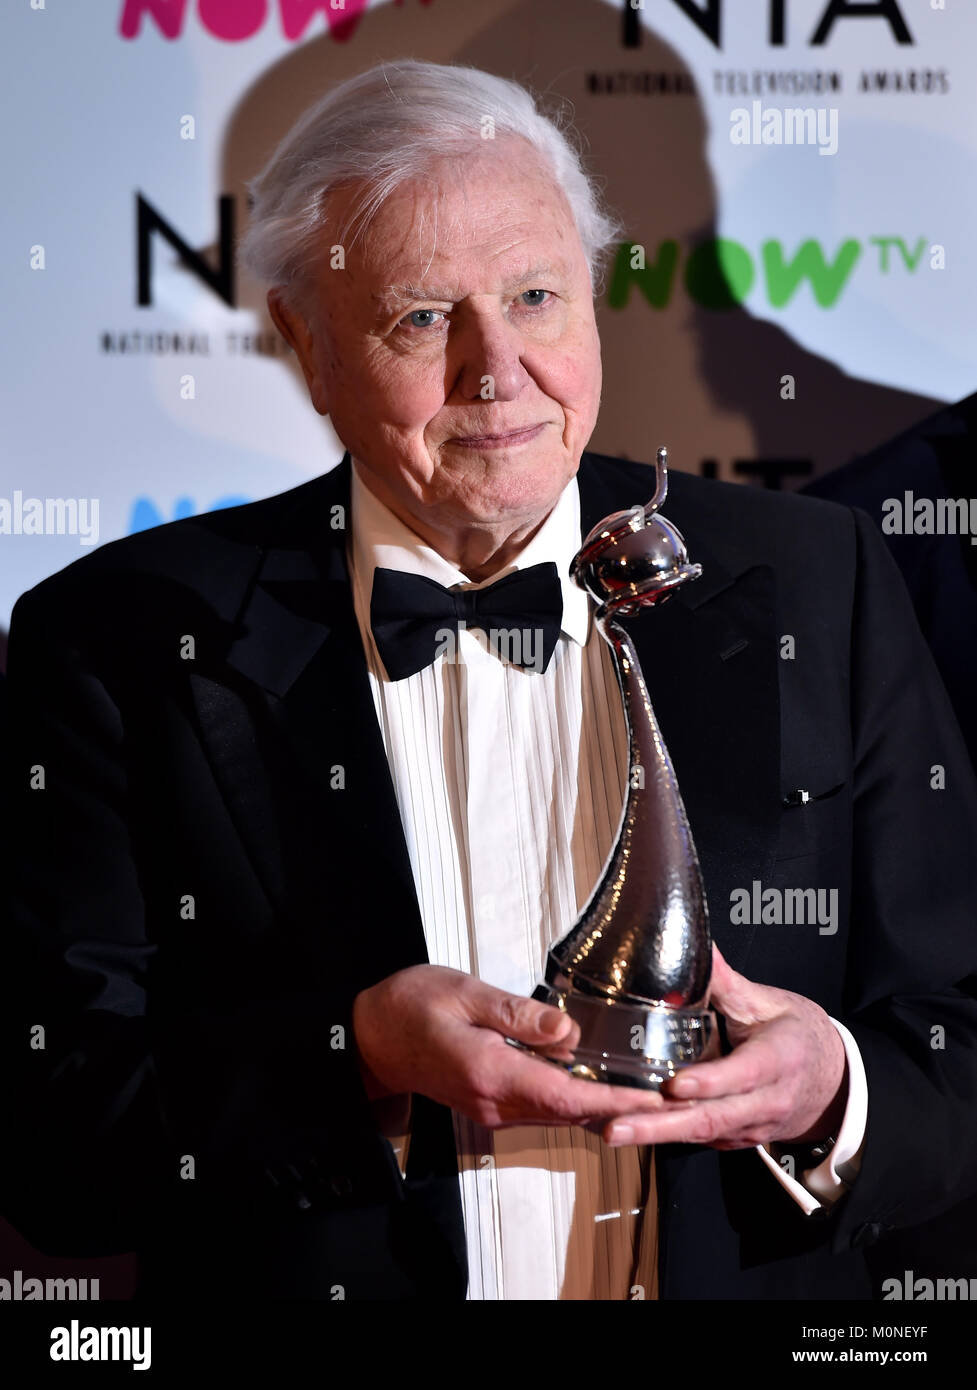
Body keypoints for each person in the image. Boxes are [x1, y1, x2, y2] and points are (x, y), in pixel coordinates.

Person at [2, 60, 976, 1301]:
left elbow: (955, 1028)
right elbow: (51, 1141)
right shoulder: (121, 639)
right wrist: (351, 1056)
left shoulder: (814, 579)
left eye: (534, 296)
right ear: (306, 342)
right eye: (421, 317)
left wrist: (836, 1086)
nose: (496, 368)